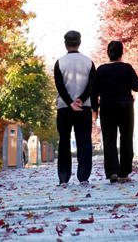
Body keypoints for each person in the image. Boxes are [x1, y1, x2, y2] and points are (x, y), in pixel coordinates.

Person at [91, 40, 138, 182]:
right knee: (126, 138)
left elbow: (93, 91)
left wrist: (95, 110)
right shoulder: (127, 68)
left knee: (109, 140)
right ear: (122, 52)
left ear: (108, 53)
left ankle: (112, 171)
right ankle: (124, 173)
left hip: (107, 107)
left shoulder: (101, 70)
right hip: (125, 107)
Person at [53, 30, 95, 186]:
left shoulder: (60, 62)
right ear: (79, 43)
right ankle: (83, 176)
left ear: (65, 44)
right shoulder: (89, 62)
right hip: (84, 108)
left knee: (64, 141)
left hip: (64, 107)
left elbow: (59, 86)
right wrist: (81, 100)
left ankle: (64, 177)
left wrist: (70, 102)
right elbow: (92, 85)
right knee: (84, 141)